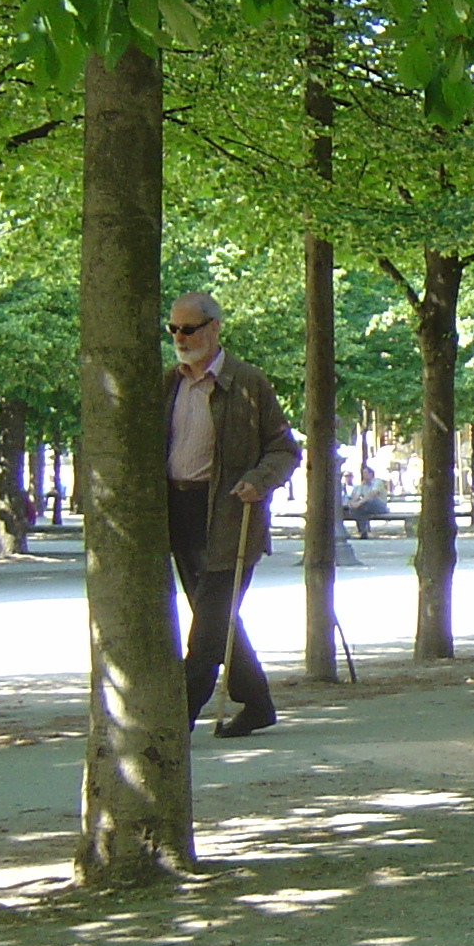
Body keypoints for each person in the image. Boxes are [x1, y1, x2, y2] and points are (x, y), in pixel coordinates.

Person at [164, 290, 302, 739]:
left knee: (208, 625)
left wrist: (259, 481)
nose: (180, 337)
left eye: (188, 328)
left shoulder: (248, 382)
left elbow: (284, 448)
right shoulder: (169, 383)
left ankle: (178, 717)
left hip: (230, 516)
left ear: (213, 328)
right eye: (174, 329)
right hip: (180, 514)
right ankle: (257, 703)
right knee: (220, 619)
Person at [345, 465, 392, 539]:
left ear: (371, 474)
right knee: (355, 510)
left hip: (379, 506)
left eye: (365, 473)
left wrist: (359, 503)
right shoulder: (363, 484)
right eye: (363, 473)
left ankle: (364, 531)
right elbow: (357, 494)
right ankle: (363, 531)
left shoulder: (377, 481)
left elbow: (373, 493)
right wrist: (352, 503)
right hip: (366, 507)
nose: (364, 475)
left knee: (368, 502)